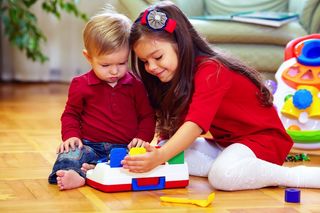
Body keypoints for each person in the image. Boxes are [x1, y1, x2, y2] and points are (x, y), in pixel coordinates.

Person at [121, 1, 320, 191]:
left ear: (181, 43)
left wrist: (160, 156)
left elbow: (194, 124)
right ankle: (238, 169)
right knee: (169, 150)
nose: (151, 67)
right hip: (229, 144)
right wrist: (158, 152)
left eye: (157, 57)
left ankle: (293, 176)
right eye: (145, 61)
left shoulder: (212, 70)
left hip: (263, 141)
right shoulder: (176, 75)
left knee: (219, 176)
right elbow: (174, 129)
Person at [48, 8, 155, 190]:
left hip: (124, 148)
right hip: (89, 145)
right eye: (105, 65)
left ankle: (92, 172)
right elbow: (70, 114)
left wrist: (142, 138)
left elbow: (147, 117)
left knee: (138, 160)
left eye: (122, 63)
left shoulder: (136, 86)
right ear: (88, 57)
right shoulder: (80, 84)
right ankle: (79, 173)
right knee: (70, 153)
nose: (114, 71)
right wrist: (71, 136)